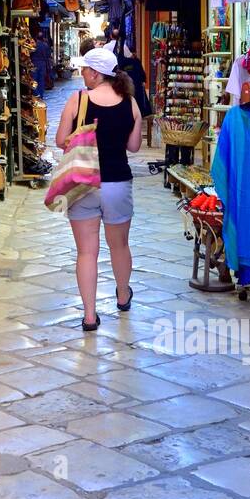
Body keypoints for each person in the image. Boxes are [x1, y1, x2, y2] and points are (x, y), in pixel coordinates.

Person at [55, 46, 143, 331]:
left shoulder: (78, 100)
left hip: (83, 184)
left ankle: (90, 315)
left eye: (84, 70)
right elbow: (133, 146)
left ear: (95, 73)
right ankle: (122, 295)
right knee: (119, 245)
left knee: (86, 253)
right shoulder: (130, 102)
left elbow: (59, 140)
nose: (81, 74)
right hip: (117, 182)